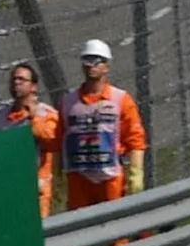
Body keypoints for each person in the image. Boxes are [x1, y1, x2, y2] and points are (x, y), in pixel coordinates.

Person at [56, 40, 146, 210]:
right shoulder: (68, 102)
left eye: (97, 60)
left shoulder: (120, 99)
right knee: (80, 230)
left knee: (116, 230)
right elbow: (58, 141)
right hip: (78, 179)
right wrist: (57, 176)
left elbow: (135, 139)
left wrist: (136, 174)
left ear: (107, 66)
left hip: (110, 178)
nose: (91, 65)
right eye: (87, 60)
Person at [4, 61, 59, 217]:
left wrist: (34, 118)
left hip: (38, 186)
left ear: (33, 86)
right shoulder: (2, 116)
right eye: (14, 79)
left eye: (22, 79)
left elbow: (53, 140)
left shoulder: (46, 113)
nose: (16, 82)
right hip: (12, 185)